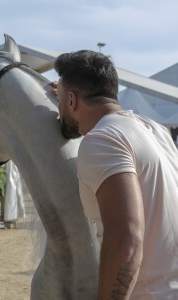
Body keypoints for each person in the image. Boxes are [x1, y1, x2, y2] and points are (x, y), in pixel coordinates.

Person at [53, 50, 178, 299]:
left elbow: (126, 239)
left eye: (59, 102)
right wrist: (61, 93)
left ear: (71, 101)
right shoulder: (154, 130)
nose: (58, 111)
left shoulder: (102, 139)